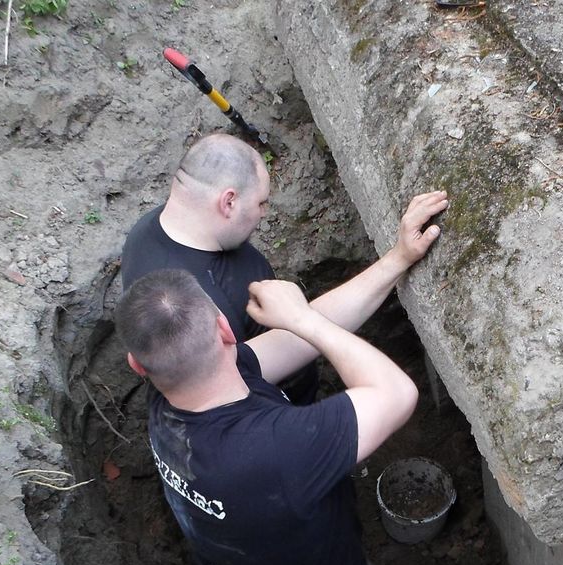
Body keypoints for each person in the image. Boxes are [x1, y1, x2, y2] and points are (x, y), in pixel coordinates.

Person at [114, 261, 447, 565]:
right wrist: (302, 318)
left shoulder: (170, 399)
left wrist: (395, 260)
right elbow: (396, 393)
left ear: (138, 365)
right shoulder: (278, 449)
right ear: (225, 329)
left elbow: (300, 340)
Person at [121, 132, 448, 403]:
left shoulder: (150, 231)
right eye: (260, 203)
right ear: (228, 202)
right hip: (270, 408)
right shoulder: (200, 310)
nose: (264, 213)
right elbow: (292, 343)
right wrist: (399, 258)